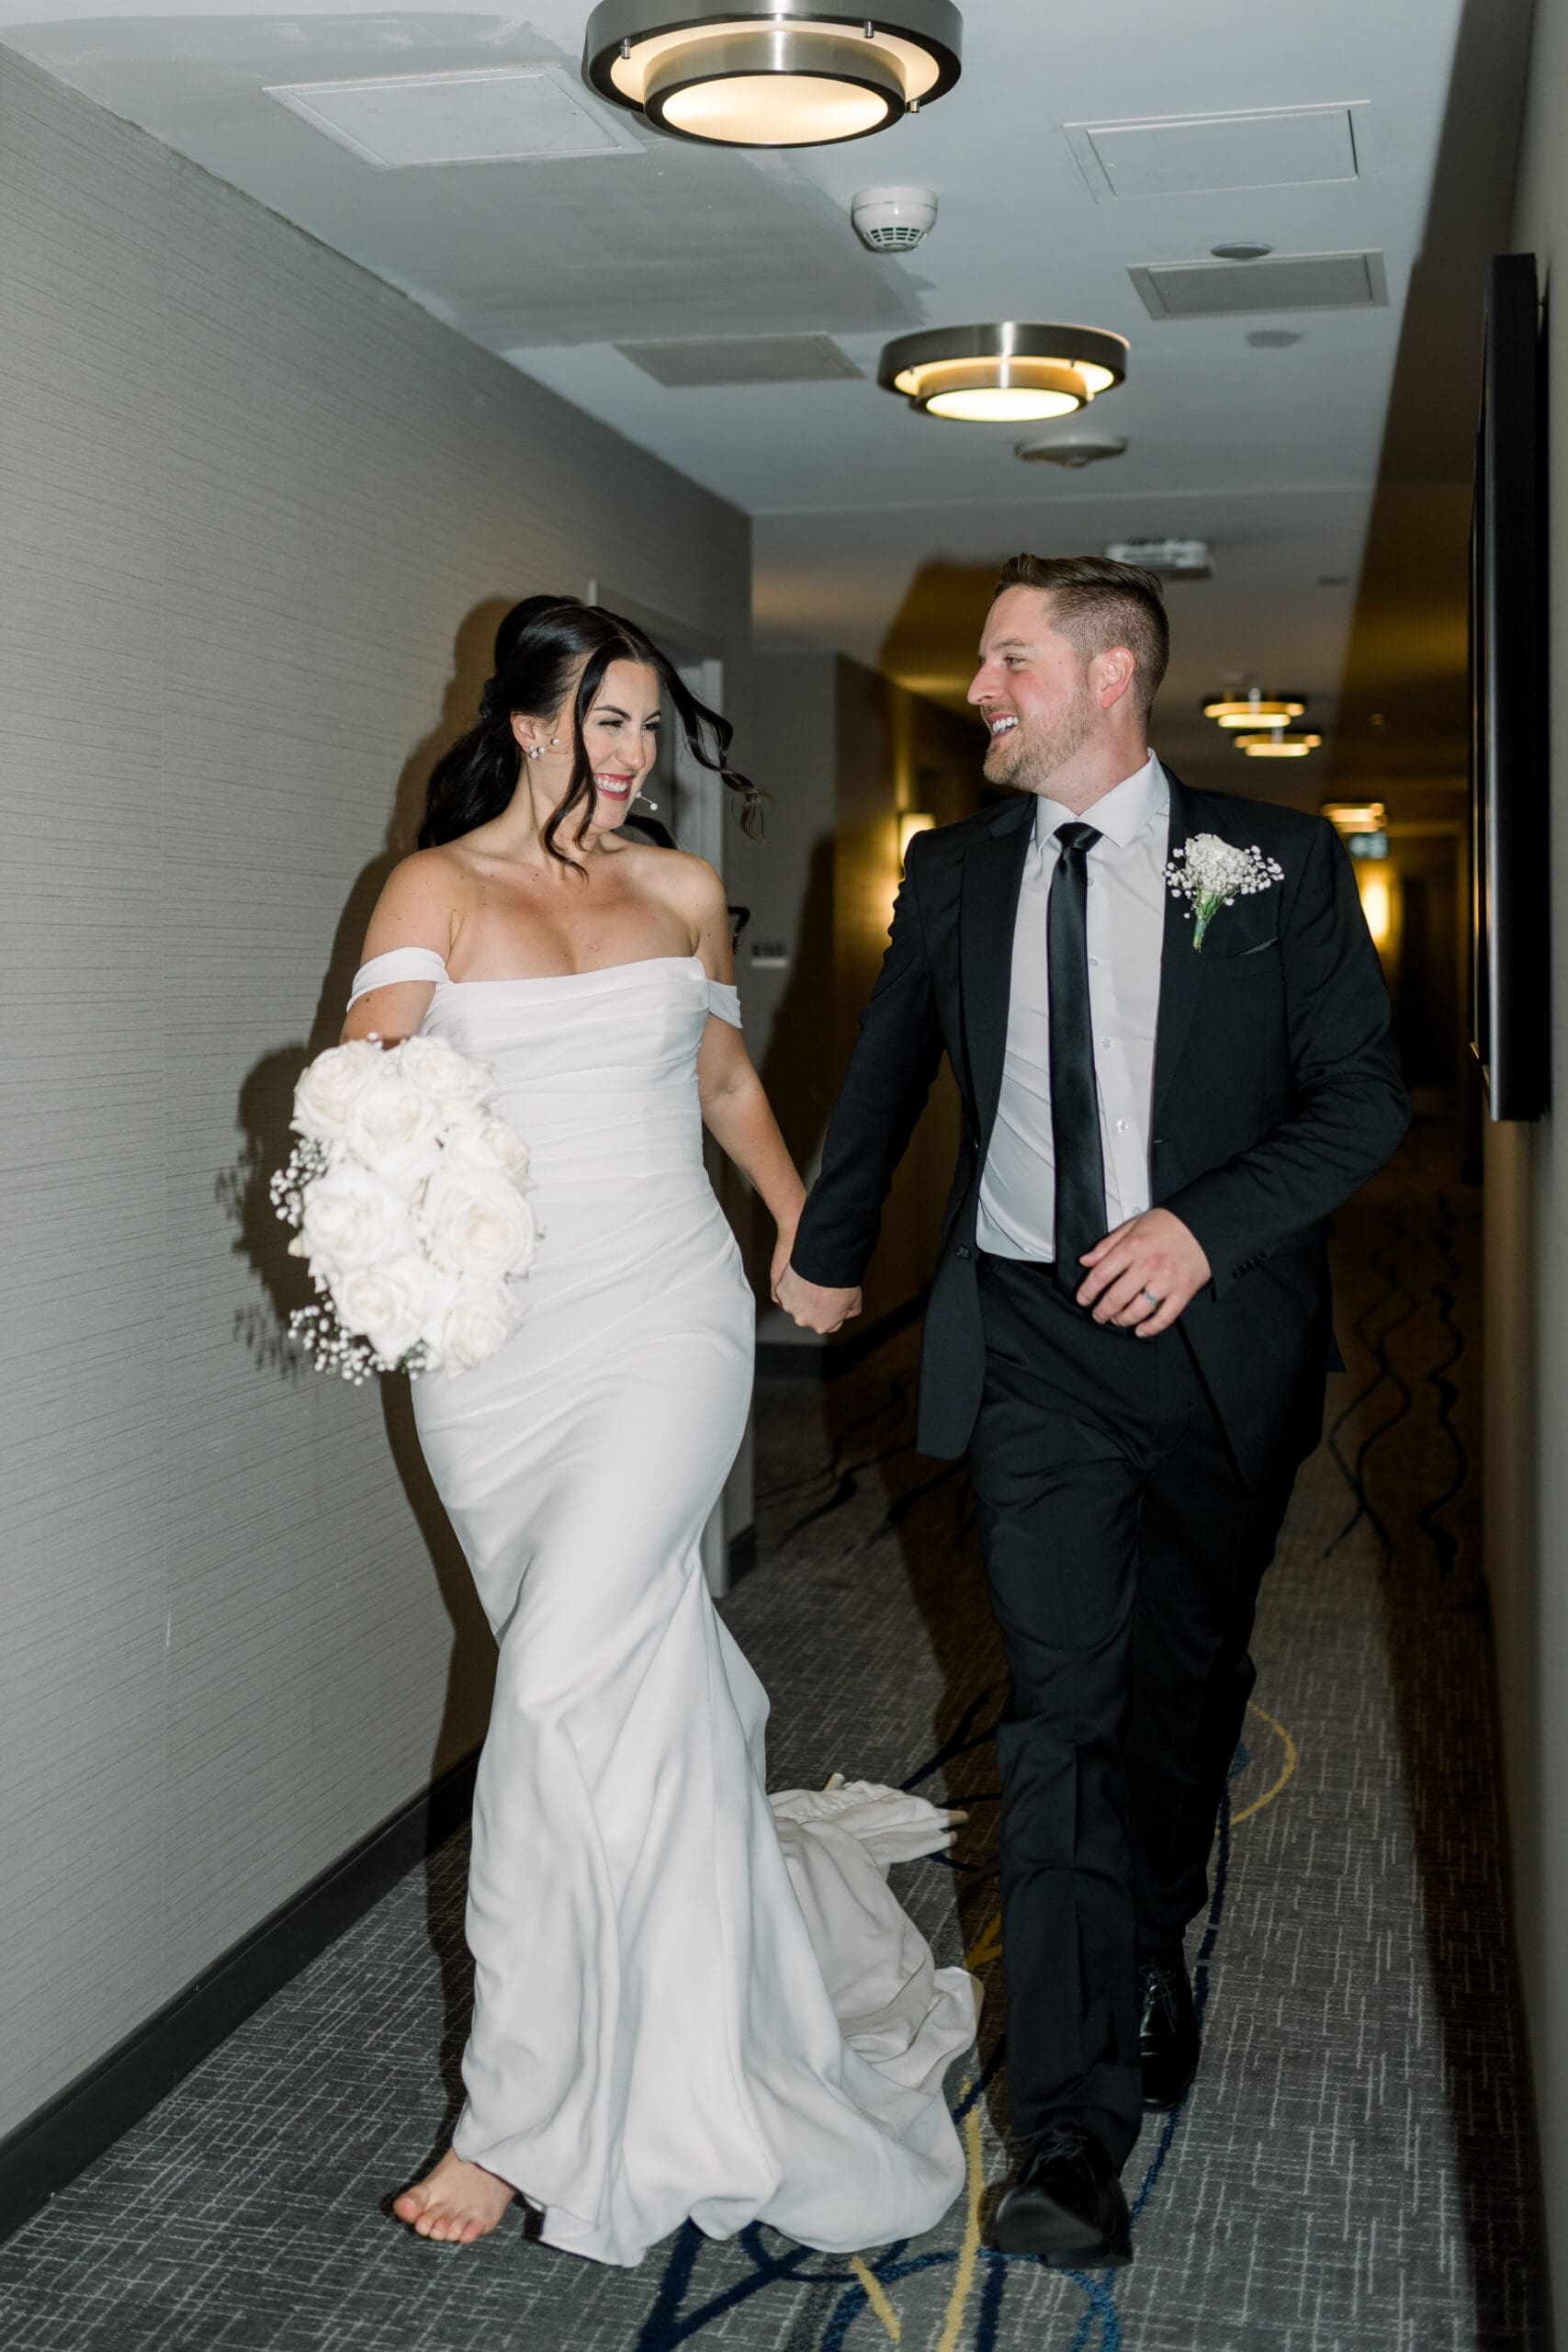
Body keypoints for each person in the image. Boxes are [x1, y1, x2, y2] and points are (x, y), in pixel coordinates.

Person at [777, 554, 1410, 2268]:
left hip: (1217, 1346)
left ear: (1110, 678)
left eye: (1007, 661)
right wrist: (826, 1260)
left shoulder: (1268, 863)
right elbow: (896, 1068)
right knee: (1056, 1712)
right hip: (1035, 1346)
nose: (978, 690)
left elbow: (1365, 1101)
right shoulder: (959, 869)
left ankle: (1150, 1935)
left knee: (1182, 1686)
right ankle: (1068, 2124)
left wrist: (1205, 1228)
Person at [341, 595, 976, 2266]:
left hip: (667, 1315)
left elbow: (720, 1084)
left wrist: (797, 1231)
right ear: (531, 722)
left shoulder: (681, 891)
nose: (631, 762)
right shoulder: (435, 890)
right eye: (607, 724)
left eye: (649, 731)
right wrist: (411, 1247)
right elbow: (365, 1098)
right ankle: (706, 1995)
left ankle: (508, 2114)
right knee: (623, 1690)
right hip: (497, 1345)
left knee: (551, 1684)